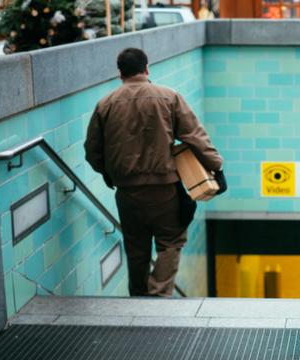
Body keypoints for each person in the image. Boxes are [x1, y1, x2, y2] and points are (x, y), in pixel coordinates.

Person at [85, 48, 224, 297]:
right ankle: (159, 294)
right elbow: (195, 136)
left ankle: (138, 296)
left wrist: (108, 174)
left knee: (136, 246)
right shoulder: (168, 97)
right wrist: (216, 167)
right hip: (165, 189)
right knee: (171, 241)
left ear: (120, 73)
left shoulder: (105, 104)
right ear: (146, 69)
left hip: (127, 191)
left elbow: (92, 150)